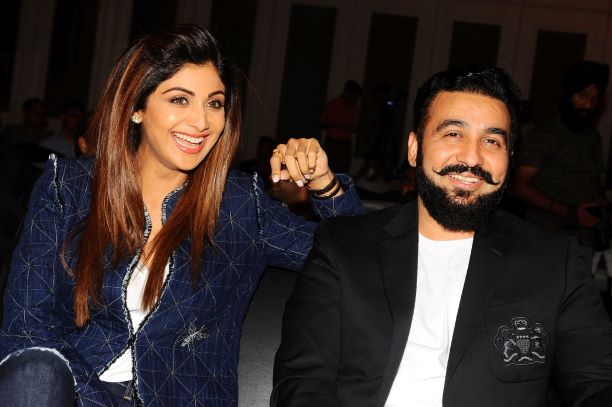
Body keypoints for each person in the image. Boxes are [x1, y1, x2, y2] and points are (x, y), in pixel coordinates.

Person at [0, 25, 363, 407]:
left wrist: (325, 186)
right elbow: (25, 329)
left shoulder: (240, 205)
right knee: (34, 371)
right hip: (72, 393)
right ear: (136, 108)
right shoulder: (70, 187)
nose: (201, 122)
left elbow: (354, 258)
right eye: (180, 99)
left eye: (214, 103)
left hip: (184, 398)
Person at [271, 66, 612, 406]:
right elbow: (303, 383)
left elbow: (597, 382)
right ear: (414, 149)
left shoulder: (553, 262)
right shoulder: (343, 248)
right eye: (453, 134)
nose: (472, 157)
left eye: (492, 141)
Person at [513, 61, 609, 256]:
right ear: (569, 96)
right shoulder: (545, 134)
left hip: (584, 240)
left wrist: (602, 207)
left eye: (594, 98)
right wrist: (567, 212)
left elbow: (593, 182)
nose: (588, 105)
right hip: (546, 236)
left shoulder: (592, 135)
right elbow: (519, 186)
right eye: (583, 96)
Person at [319, 80, 362, 173]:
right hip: (332, 143)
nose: (356, 99)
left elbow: (356, 125)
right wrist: (338, 125)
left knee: (343, 170)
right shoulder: (332, 104)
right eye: (354, 96)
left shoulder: (355, 107)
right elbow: (322, 123)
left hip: (346, 145)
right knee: (328, 170)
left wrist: (353, 128)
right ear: (348, 93)